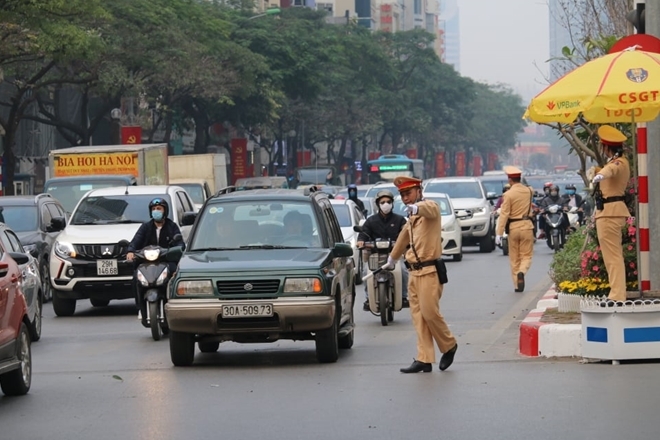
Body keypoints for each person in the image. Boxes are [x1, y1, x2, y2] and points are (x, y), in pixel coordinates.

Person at [386, 176, 457, 373]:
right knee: (418, 317)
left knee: (429, 313)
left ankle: (449, 345)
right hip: (414, 273)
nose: (405, 198)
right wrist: (392, 258)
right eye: (402, 195)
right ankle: (424, 358)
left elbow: (431, 209)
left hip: (429, 271)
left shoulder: (428, 209)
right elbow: (403, 237)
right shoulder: (412, 218)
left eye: (408, 193)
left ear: (419, 191)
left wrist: (418, 208)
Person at [127, 198, 185, 326]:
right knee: (136, 277)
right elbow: (136, 240)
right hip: (147, 262)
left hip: (166, 260)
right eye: (153, 209)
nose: (156, 211)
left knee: (174, 273)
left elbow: (180, 244)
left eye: (159, 209)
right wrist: (131, 251)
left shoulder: (172, 226)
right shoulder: (146, 227)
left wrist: (177, 250)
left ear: (165, 211)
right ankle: (140, 308)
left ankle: (173, 304)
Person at [591, 125, 631, 305]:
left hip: (610, 214)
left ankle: (617, 296)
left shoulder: (618, 163)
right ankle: (616, 293)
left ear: (606, 147)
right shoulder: (617, 161)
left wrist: (600, 175)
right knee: (611, 257)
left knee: (613, 257)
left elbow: (610, 171)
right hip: (609, 213)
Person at [357, 189, 408, 310]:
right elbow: (364, 233)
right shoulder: (371, 220)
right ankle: (369, 299)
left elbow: (406, 233)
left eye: (388, 201)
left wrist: (406, 243)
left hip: (394, 254)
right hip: (374, 255)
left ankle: (404, 297)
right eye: (383, 202)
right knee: (365, 272)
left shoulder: (400, 220)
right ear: (378, 204)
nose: (386, 204)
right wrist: (361, 241)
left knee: (404, 271)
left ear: (392, 203)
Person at [495, 166, 535, 292]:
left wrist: (499, 233)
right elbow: (529, 188)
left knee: (514, 258)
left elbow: (504, 214)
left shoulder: (508, 195)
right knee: (526, 255)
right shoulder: (529, 191)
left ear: (510, 180)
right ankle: (522, 271)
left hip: (513, 228)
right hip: (527, 226)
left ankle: (517, 285)